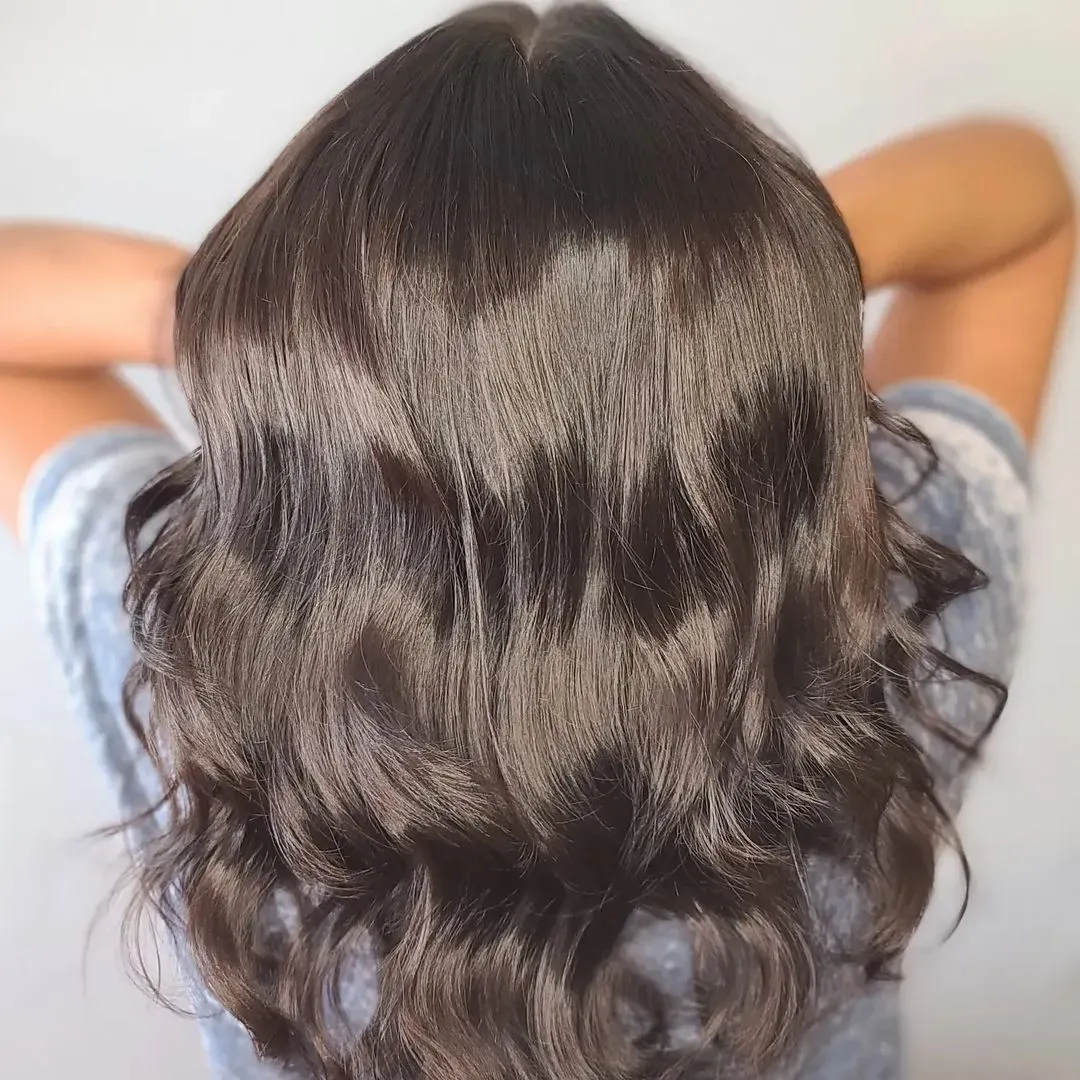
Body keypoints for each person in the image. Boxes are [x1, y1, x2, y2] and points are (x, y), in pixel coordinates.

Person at [0, 5, 1073, 1079]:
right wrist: (760, 296)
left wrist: (227, 319)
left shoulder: (186, 654)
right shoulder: (895, 618)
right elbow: (1024, 196)